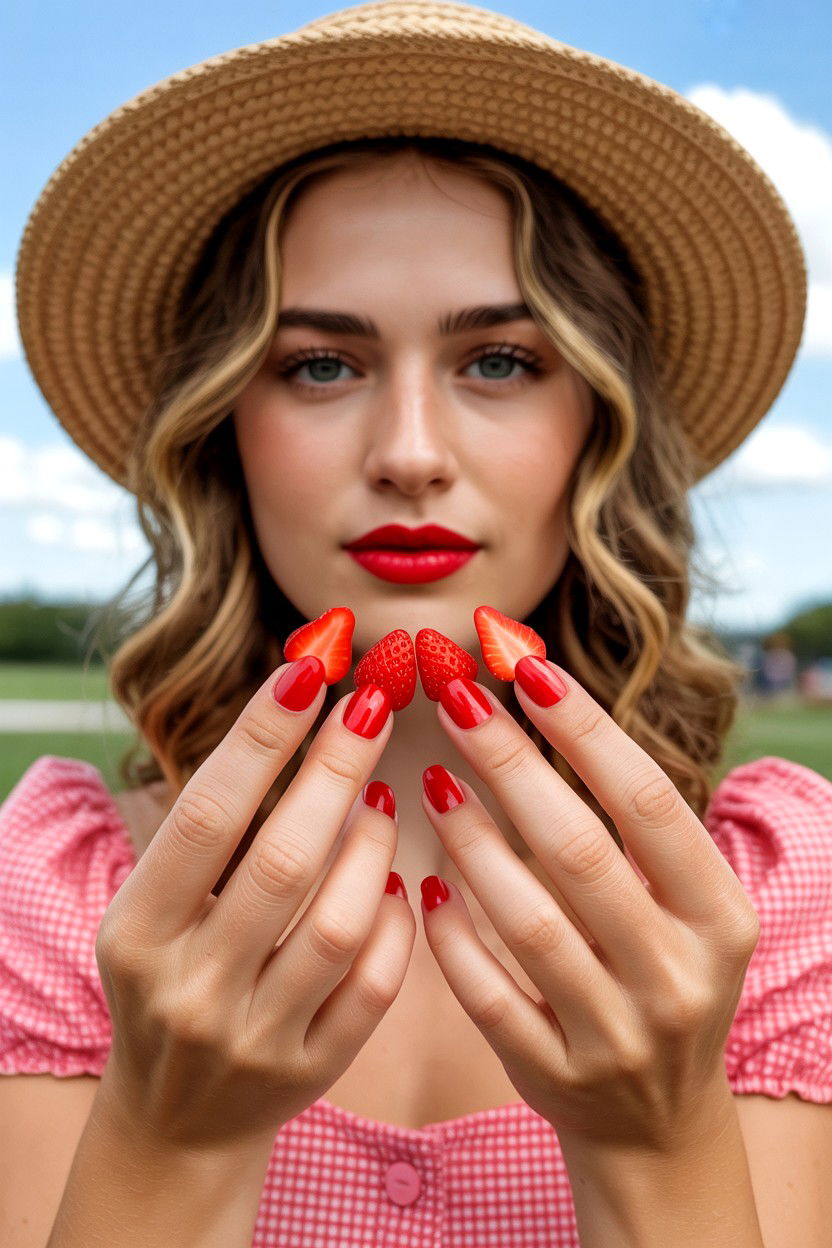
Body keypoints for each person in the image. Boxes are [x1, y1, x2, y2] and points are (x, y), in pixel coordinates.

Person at [2, 2, 831, 1245]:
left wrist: (658, 1145)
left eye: (498, 359)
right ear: (224, 429)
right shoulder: (59, 898)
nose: (408, 455)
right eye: (320, 366)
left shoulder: (774, 895)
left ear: (597, 428)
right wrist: (173, 1139)